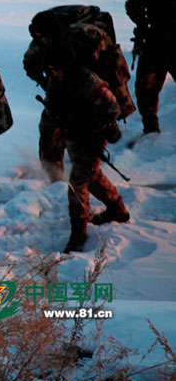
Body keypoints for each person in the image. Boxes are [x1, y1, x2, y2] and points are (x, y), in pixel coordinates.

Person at [24, 6, 133, 181]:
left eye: (44, 36)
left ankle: (89, 176)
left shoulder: (83, 35)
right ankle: (54, 179)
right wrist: (49, 84)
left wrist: (97, 92)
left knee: (88, 134)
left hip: (91, 86)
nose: (43, 40)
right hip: (64, 89)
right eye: (40, 37)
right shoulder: (40, 43)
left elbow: (109, 64)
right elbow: (29, 63)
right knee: (49, 128)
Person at [43, 44, 130, 253]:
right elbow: (52, 106)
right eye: (51, 69)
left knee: (77, 184)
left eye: (56, 69)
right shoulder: (57, 82)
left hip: (93, 137)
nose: (54, 73)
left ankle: (78, 234)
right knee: (92, 175)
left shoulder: (87, 81)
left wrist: (93, 126)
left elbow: (113, 108)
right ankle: (117, 209)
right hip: (74, 137)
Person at [126, 0, 176, 134]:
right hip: (155, 38)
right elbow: (132, 4)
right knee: (144, 87)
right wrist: (142, 22)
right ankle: (151, 130)